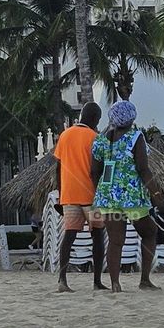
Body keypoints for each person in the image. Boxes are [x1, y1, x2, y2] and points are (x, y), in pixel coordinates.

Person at [90, 99, 164, 293]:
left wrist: (102, 192)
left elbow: (94, 171)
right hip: (132, 197)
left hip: (107, 196)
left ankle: (115, 284)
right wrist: (158, 197)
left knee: (116, 240)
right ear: (132, 118)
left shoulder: (100, 140)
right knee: (149, 233)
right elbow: (143, 169)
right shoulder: (135, 137)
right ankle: (144, 281)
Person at [53, 101, 104, 292]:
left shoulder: (64, 136)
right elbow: (96, 169)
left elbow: (58, 167)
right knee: (97, 236)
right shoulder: (95, 137)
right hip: (92, 197)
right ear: (94, 118)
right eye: (98, 119)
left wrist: (61, 193)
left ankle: (62, 280)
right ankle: (97, 281)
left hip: (69, 195)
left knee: (69, 236)